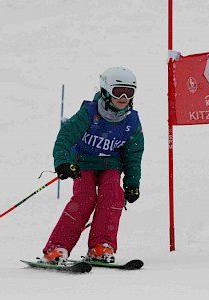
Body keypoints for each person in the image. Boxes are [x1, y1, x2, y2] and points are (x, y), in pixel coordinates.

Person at [41, 67, 144, 265]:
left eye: (129, 92)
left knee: (113, 193)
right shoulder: (89, 112)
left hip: (110, 165)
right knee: (85, 198)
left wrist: (132, 183)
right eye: (118, 92)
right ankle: (57, 247)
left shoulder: (131, 121)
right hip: (83, 162)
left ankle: (101, 246)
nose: (123, 97)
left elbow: (133, 154)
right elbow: (66, 135)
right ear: (105, 91)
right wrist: (63, 162)